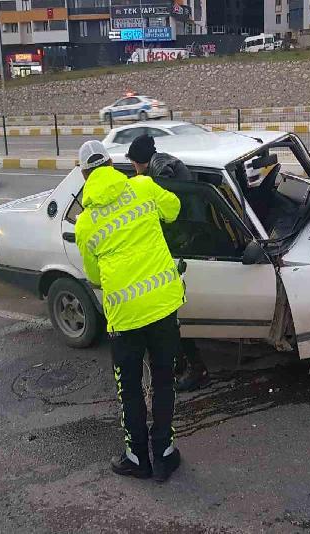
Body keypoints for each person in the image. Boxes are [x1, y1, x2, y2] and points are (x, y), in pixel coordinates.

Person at [74, 140, 183, 482]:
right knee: (164, 380)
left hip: (124, 316)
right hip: (163, 304)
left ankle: (137, 458)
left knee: (130, 389)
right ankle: (164, 454)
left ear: (84, 175)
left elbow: (94, 276)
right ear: (111, 164)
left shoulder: (84, 224)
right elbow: (174, 210)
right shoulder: (143, 186)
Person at [126, 134, 210, 392]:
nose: (133, 167)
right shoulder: (163, 161)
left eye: (133, 162)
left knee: (170, 318)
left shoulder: (160, 170)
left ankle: (195, 369)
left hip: (185, 241)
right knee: (169, 319)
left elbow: (169, 199)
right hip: (189, 235)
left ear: (139, 161)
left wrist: (153, 185)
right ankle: (180, 363)